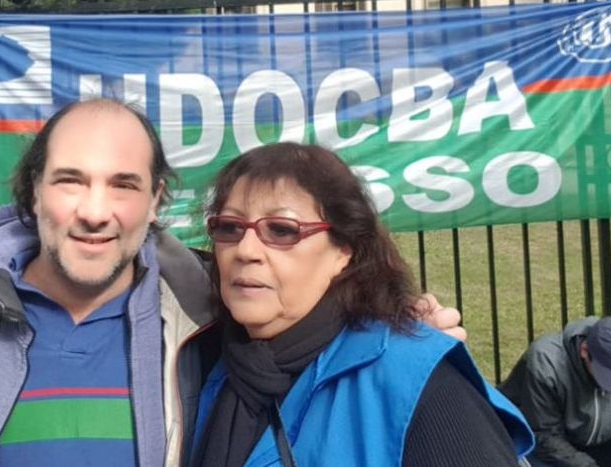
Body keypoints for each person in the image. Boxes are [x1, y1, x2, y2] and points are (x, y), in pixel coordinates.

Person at [0, 98, 467, 467]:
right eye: (71, 180)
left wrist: (412, 343)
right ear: (34, 192)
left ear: (156, 202)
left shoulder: (208, 320)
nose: (95, 212)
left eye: (123, 184)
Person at [189, 142, 533, 466]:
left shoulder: (418, 384)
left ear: (344, 250)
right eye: (230, 227)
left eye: (282, 230)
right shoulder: (197, 362)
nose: (246, 251)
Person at [502, 316, 611, 467]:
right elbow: (544, 435)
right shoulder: (545, 362)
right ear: (584, 350)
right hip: (538, 445)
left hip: (594, 440)